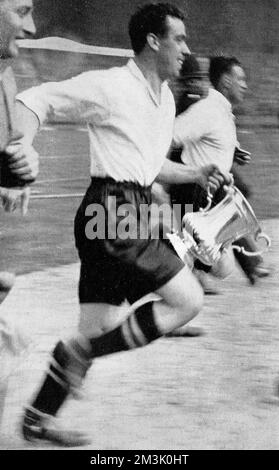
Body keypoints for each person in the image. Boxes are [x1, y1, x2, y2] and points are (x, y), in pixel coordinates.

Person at [16, 3, 230, 446]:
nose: (186, 50)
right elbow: (36, 99)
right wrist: (22, 147)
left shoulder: (166, 99)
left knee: (96, 327)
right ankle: (81, 355)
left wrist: (196, 172)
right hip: (113, 211)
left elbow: (149, 168)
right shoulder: (111, 86)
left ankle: (37, 418)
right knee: (187, 300)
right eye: (180, 39)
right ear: (154, 41)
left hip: (119, 211)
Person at [171, 55, 270, 286]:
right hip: (193, 193)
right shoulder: (208, 110)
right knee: (207, 262)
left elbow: (212, 138)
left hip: (208, 193)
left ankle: (181, 262)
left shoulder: (222, 111)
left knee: (221, 266)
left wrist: (233, 151)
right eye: (241, 79)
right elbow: (172, 135)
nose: (245, 85)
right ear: (226, 82)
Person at [0, 0, 39, 425]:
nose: (31, 27)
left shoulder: (5, 79)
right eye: (22, 11)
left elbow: (10, 151)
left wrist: (20, 168)